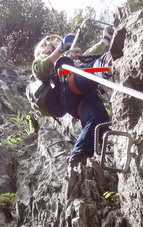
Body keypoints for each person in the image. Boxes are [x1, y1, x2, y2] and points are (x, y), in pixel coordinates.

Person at [32, 27, 114, 170]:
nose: (59, 42)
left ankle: (78, 155)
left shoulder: (69, 58)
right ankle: (106, 64)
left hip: (82, 100)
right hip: (67, 87)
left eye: (60, 41)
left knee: (98, 118)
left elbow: (87, 56)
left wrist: (104, 42)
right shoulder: (43, 59)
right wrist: (60, 50)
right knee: (85, 71)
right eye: (56, 41)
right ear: (47, 45)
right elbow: (40, 70)